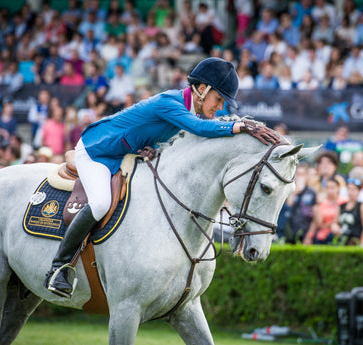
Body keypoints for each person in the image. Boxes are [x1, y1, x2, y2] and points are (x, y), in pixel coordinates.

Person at [45, 57, 281, 298]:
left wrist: (151, 147)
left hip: (123, 154)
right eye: (218, 99)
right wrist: (240, 126)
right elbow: (199, 129)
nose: (220, 108)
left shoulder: (187, 110)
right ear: (202, 89)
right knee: (100, 203)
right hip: (96, 150)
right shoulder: (170, 102)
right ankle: (59, 268)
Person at [303, 177, 347, 245]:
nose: (330, 190)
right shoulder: (322, 203)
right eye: (328, 188)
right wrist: (309, 236)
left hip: (337, 235)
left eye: (332, 187)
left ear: (338, 188)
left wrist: (327, 225)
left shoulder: (344, 202)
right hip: (322, 236)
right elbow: (318, 223)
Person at [336, 178, 363, 246]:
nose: (351, 192)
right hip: (342, 241)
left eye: (353, 189)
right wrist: (335, 227)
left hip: (356, 241)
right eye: (349, 189)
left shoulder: (362, 206)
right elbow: (334, 223)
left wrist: (362, 244)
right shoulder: (341, 206)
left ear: (359, 191)